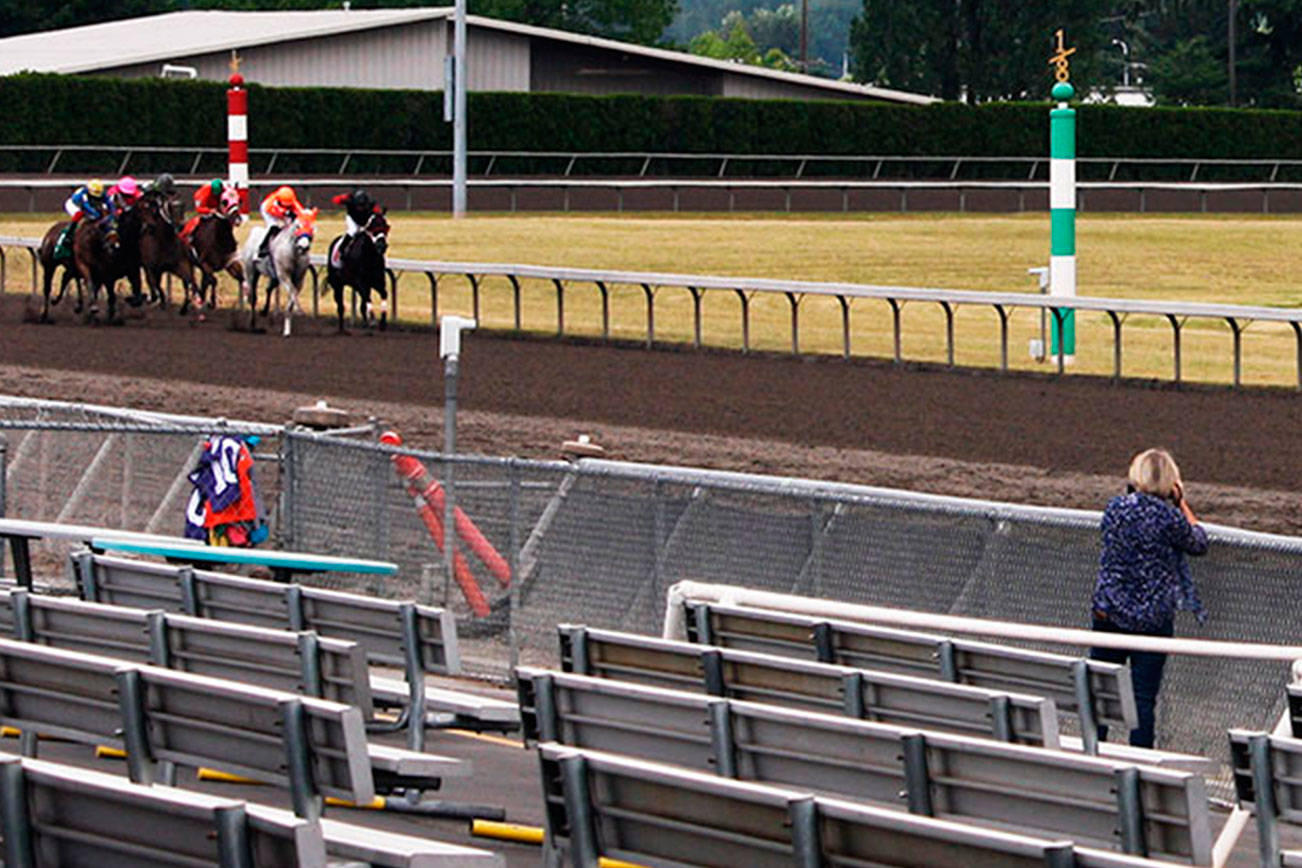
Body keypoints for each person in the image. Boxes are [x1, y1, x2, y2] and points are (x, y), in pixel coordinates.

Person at [1089, 448, 1208, 748]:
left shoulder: (1115, 508)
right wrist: (1182, 504)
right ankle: (1140, 766)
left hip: (1110, 615)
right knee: (1143, 700)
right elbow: (1198, 541)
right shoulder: (1169, 518)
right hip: (1152, 623)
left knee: (1101, 692)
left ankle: (1092, 755)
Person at [53, 178, 115, 259]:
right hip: (74, 205)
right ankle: (68, 235)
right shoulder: (83, 193)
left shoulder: (102, 193)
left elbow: (110, 204)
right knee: (79, 215)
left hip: (87, 205)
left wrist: (113, 214)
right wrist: (96, 214)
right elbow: (87, 207)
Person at [258, 185, 307, 257]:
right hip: (268, 212)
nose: (287, 206)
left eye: (288, 205)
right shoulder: (271, 203)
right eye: (285, 204)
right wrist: (285, 212)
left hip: (280, 212)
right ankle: (263, 247)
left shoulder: (291, 200)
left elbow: (300, 211)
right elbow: (272, 211)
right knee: (274, 226)